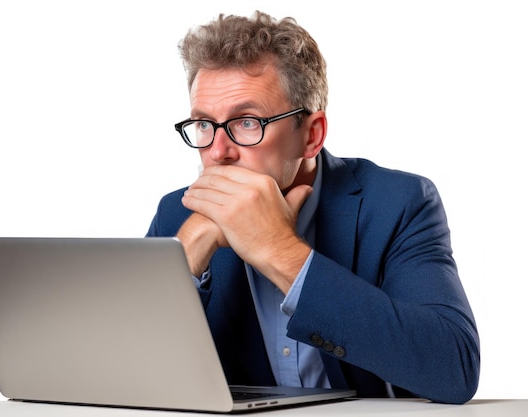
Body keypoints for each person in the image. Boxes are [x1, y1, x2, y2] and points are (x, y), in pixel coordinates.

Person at [146, 11, 480, 404]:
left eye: (247, 122)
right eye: (203, 125)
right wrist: (181, 262)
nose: (218, 152)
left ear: (312, 135)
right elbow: (123, 375)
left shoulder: (398, 203)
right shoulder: (178, 214)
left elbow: (453, 368)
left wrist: (280, 251)